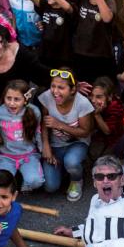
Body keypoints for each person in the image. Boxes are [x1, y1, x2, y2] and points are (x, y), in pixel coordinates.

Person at [38, 68, 96, 201]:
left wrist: (59, 125)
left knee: (71, 161)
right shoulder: (47, 96)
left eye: (61, 88)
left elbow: (85, 132)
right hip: (55, 144)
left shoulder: (82, 103)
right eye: (53, 86)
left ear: (73, 89)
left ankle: (77, 179)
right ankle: (65, 170)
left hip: (76, 143)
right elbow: (44, 123)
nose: (55, 92)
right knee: (50, 187)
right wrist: (46, 146)